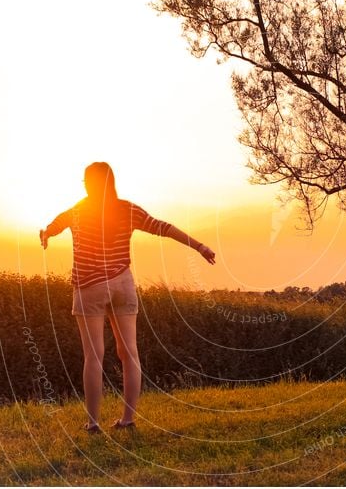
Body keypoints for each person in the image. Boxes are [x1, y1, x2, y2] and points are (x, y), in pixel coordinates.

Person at [39, 162, 215, 434]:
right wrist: (199, 246)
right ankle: (128, 420)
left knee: (94, 356)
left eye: (86, 181)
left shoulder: (76, 211)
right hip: (122, 284)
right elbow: (163, 227)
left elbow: (53, 226)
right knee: (129, 353)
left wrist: (45, 235)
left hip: (89, 287)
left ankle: (93, 422)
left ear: (88, 183)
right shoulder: (127, 209)